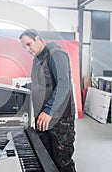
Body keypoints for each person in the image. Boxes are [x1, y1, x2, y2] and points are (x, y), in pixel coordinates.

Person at [19, 29, 76, 172]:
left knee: (62, 161)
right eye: (24, 47)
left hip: (59, 118)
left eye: (29, 44)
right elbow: (43, 84)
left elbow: (64, 85)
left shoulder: (56, 55)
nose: (27, 49)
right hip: (43, 117)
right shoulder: (38, 59)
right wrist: (24, 87)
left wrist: (48, 111)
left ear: (38, 38)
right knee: (46, 159)